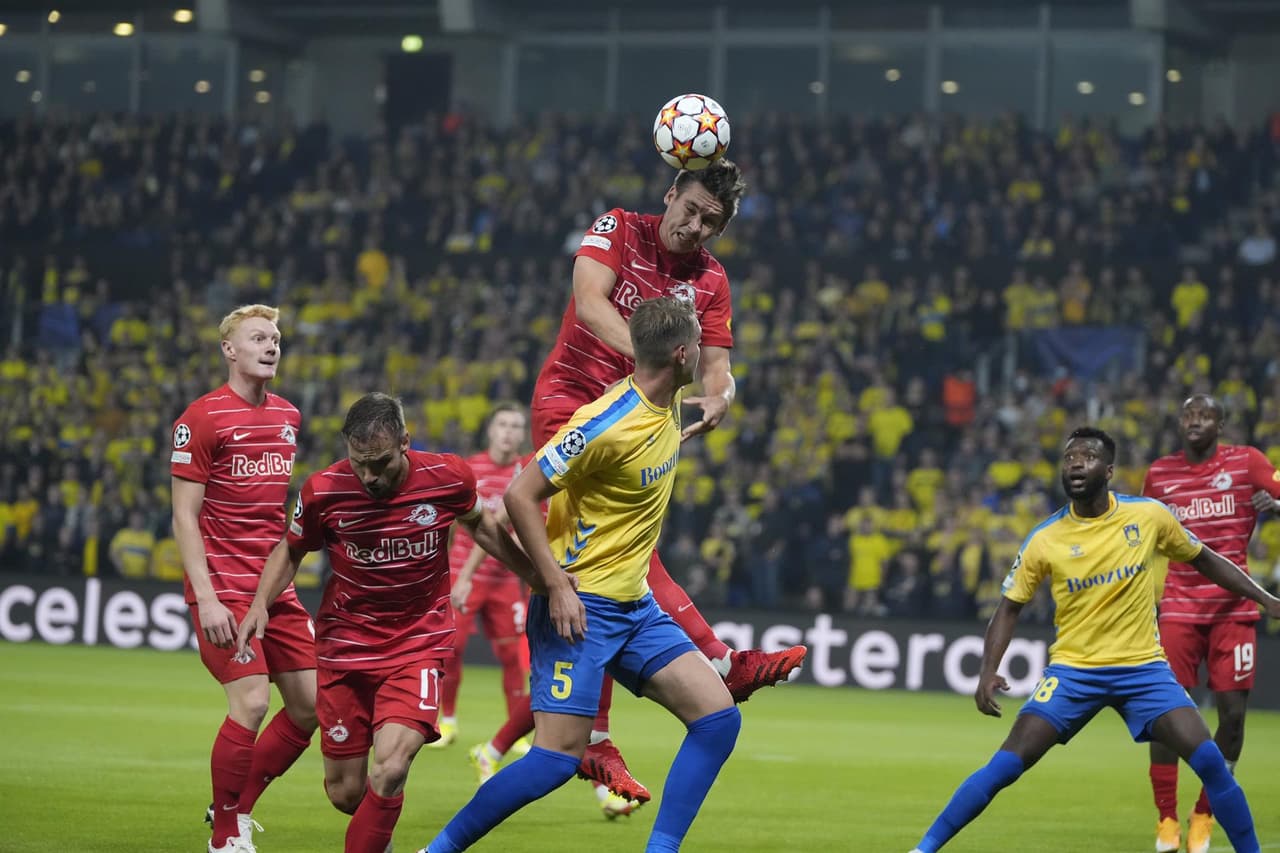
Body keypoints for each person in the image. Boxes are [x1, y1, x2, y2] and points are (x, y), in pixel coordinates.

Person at [480, 158, 805, 807]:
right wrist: (654, 357)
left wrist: (720, 397)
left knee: (620, 552)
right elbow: (589, 300)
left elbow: (718, 365)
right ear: (670, 195)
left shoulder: (711, 279)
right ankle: (703, 666)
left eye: (711, 221)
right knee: (607, 553)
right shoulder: (619, 228)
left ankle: (601, 727)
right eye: (689, 209)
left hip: (640, 411)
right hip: (575, 399)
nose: (695, 225)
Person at [420, 298, 742, 853]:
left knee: (718, 720)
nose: (704, 353)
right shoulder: (603, 423)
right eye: (698, 345)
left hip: (635, 606)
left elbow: (719, 377)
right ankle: (438, 850)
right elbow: (519, 495)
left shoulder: (673, 393)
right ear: (683, 354)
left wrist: (722, 398)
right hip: (581, 608)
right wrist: (553, 585)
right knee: (553, 761)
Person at [907, 427, 1279, 853]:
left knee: (1212, 762)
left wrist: (1264, 599)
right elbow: (1009, 608)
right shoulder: (1045, 538)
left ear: (1109, 470)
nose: (1075, 463)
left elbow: (1206, 560)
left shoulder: (1148, 516)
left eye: (1086, 456)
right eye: (1068, 458)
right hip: (1074, 672)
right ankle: (923, 849)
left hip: (1143, 670)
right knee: (1006, 765)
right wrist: (987, 670)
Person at [236, 392, 541, 853]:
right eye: (359, 463)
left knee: (392, 767)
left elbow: (481, 525)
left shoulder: (447, 475)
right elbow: (293, 549)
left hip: (418, 640)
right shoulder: (324, 490)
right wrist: (261, 602)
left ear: (405, 442)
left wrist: (539, 577)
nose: (368, 476)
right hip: (346, 647)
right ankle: (377, 837)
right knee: (346, 793)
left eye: (379, 463)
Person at [171, 304, 317, 853]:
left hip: (273, 586)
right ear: (230, 350)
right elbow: (185, 515)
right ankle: (226, 836)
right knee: (253, 702)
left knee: (311, 709)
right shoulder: (201, 418)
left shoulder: (288, 416)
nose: (271, 345)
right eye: (258, 337)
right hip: (223, 587)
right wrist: (206, 599)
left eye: (276, 337)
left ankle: (235, 804)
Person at [1142, 394, 1280, 853]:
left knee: (1234, 719)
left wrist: (1275, 506)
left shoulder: (1248, 463)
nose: (1195, 422)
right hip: (1177, 610)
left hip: (1233, 611)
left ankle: (1204, 812)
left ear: (1220, 424)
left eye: (1204, 415)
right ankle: (1166, 819)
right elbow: (1140, 539)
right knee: (1164, 717)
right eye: (1188, 415)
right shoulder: (1159, 474)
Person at [431, 403, 532, 748]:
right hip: (463, 574)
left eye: (516, 426)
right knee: (451, 648)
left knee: (511, 658)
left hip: (505, 580)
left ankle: (515, 734)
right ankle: (448, 722)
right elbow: (447, 526)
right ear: (490, 430)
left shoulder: (528, 472)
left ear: (523, 433)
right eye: (502, 424)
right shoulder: (469, 469)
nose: (508, 432)